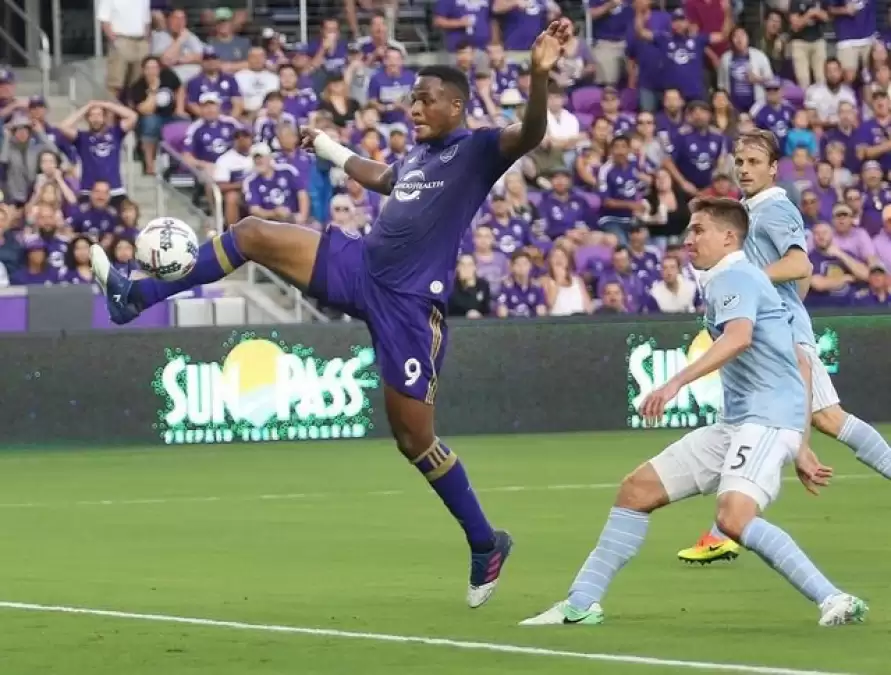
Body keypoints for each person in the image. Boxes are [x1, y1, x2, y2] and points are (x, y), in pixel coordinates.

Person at [90, 18, 574, 609]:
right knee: (252, 233)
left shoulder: (477, 151)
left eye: (426, 99)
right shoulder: (419, 156)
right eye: (412, 99)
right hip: (361, 266)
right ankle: (136, 296)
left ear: (456, 105)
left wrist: (537, 76)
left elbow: (531, 132)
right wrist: (329, 149)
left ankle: (485, 541)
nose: (414, 108)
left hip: (409, 307)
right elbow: (384, 178)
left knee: (414, 439)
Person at [520, 197, 868, 628]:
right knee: (636, 490)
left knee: (733, 518)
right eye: (688, 229)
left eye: (699, 230)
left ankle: (835, 598)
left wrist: (675, 383)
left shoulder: (735, 276)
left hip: (764, 422)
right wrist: (801, 444)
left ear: (729, 237)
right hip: (740, 424)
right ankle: (581, 603)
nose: (689, 239)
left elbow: (739, 337)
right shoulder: (736, 279)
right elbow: (799, 360)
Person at [678, 129, 891, 564]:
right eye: (740, 161)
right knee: (763, 423)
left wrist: (758, 290)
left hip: (781, 336)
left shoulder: (775, 206)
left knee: (821, 419)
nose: (745, 169)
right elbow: (801, 277)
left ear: (774, 168)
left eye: (755, 162)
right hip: (771, 332)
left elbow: (800, 263)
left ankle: (723, 531)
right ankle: (723, 530)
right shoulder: (749, 209)